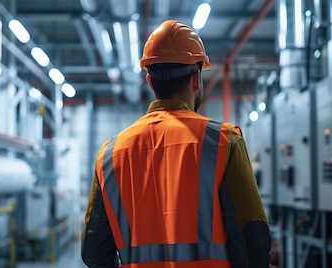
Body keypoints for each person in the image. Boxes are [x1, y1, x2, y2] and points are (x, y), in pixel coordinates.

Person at [81, 20, 271, 267]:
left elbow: (94, 252)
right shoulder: (225, 142)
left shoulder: (110, 153)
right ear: (196, 79)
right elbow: (252, 241)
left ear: (150, 82)